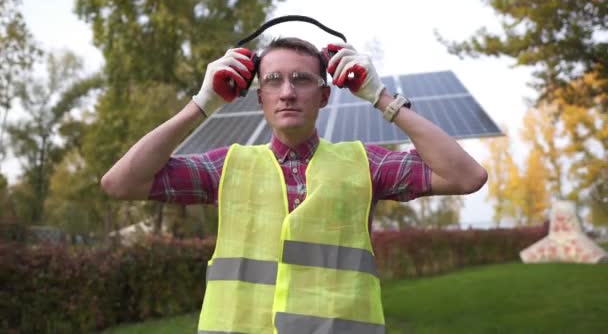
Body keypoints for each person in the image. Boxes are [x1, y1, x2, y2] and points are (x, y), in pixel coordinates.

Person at [101, 37, 487, 334]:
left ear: (324, 95)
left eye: (301, 79)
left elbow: (466, 176)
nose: (287, 91)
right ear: (260, 98)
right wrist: (202, 103)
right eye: (274, 81)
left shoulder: (365, 163)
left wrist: (382, 98)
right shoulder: (227, 167)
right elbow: (120, 183)